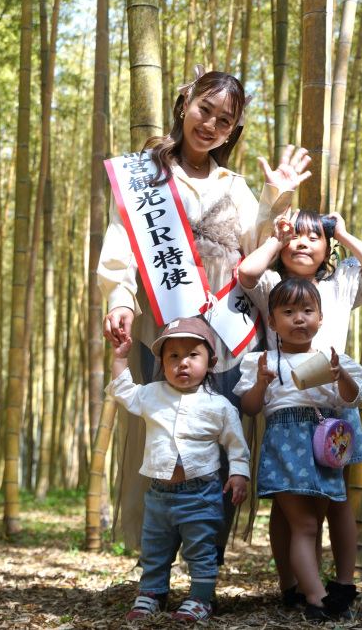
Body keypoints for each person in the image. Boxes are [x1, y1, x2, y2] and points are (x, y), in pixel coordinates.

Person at [98, 66, 310, 555]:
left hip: (227, 327)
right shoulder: (143, 176)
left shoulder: (235, 185)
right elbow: (121, 240)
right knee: (162, 429)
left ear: (233, 131)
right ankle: (156, 557)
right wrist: (120, 298)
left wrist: (276, 194)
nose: (210, 124)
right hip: (166, 321)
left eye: (224, 120)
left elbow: (258, 247)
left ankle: (205, 560)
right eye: (204, 109)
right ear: (184, 105)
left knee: (221, 428)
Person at [237, 208, 362, 615]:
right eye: (295, 237)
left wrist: (343, 233)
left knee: (337, 500)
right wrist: (276, 236)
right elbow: (247, 273)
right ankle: (294, 585)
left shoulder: (341, 282)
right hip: (287, 404)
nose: (302, 243)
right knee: (290, 510)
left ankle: (342, 583)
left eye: (314, 236)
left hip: (334, 401)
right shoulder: (272, 284)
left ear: (328, 247)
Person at [107, 316, 249, 622]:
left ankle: (201, 599)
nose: (182, 362)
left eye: (192, 355)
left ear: (211, 363)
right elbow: (123, 391)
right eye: (173, 356)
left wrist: (239, 474)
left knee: (200, 550)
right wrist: (120, 358)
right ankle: (151, 594)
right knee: (154, 550)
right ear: (161, 363)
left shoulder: (220, 406)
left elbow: (236, 445)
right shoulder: (152, 394)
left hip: (201, 494)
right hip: (158, 494)